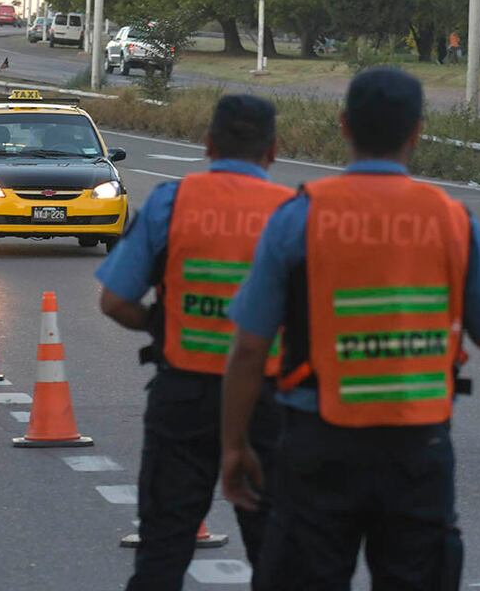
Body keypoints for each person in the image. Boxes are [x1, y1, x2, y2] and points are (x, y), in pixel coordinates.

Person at [219, 68, 480, 590]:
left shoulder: (300, 216)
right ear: (417, 131)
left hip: (318, 447)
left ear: (343, 126)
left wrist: (233, 446)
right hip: (417, 451)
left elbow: (249, 348)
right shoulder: (451, 220)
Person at [96, 94, 294, 591]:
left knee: (163, 551)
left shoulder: (171, 202)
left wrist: (163, 327)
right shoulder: (294, 214)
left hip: (182, 398)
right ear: (273, 150)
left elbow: (115, 302)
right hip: (268, 405)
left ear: (207, 144)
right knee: (277, 557)